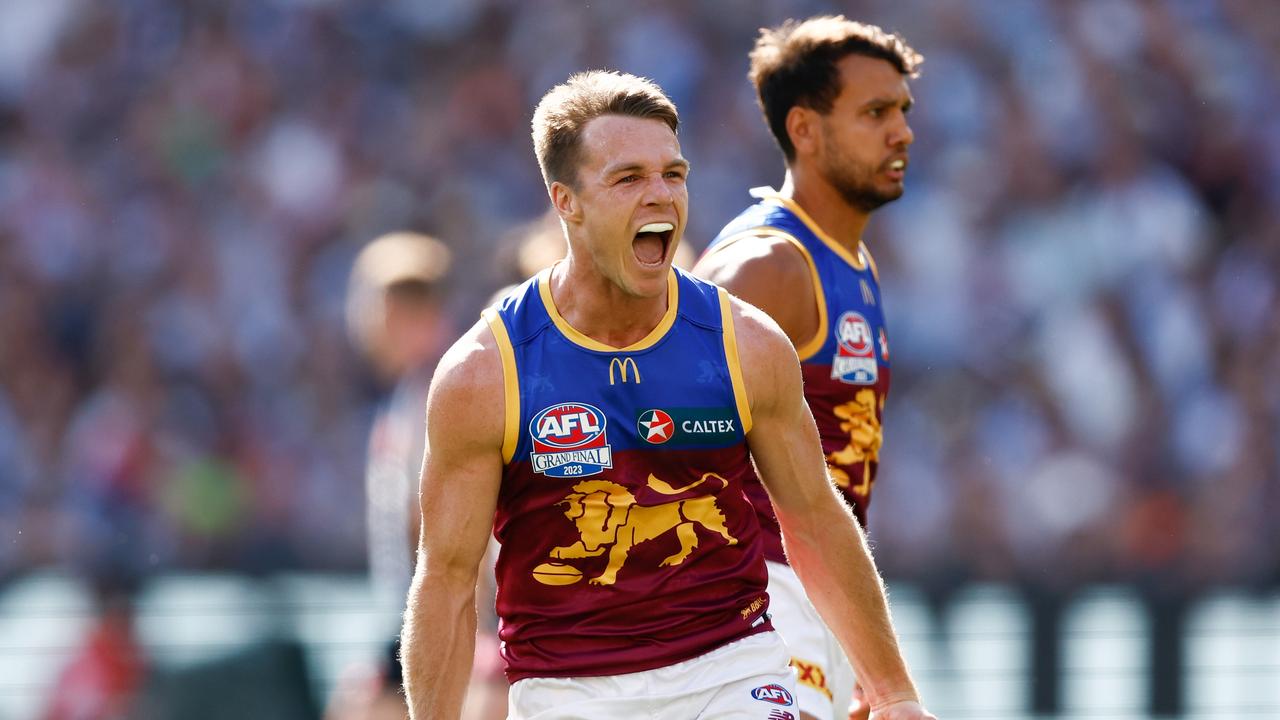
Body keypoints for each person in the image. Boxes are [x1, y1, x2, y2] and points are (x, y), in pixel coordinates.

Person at [400, 70, 932, 720]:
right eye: (629, 179)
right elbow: (448, 582)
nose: (661, 196)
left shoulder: (744, 344)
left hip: (733, 673)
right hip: (569, 692)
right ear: (566, 202)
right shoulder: (487, 373)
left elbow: (816, 519)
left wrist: (894, 691)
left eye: (673, 175)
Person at [692, 16, 921, 720]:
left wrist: (851, 644)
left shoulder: (848, 261)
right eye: (875, 113)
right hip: (748, 601)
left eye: (903, 111)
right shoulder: (767, 267)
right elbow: (656, 431)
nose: (902, 132)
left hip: (805, 599)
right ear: (805, 129)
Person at [343, 232, 506, 720]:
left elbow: (443, 524)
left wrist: (471, 632)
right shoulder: (413, 390)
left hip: (439, 613)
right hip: (426, 610)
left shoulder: (437, 390)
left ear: (394, 308)